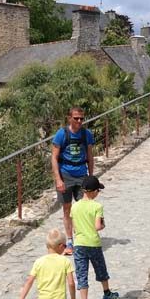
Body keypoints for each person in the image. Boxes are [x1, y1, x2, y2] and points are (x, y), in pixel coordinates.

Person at [70, 175, 120, 299]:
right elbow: (98, 226)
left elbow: (74, 228)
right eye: (98, 190)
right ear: (93, 191)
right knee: (100, 269)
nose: (98, 193)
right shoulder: (97, 206)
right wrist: (103, 225)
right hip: (93, 243)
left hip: (79, 244)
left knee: (82, 274)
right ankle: (107, 294)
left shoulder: (75, 207)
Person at [51, 107, 95, 256]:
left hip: (82, 174)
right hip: (66, 175)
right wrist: (58, 179)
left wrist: (91, 177)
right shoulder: (61, 134)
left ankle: (83, 238)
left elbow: (90, 156)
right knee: (67, 209)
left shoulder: (86, 134)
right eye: (76, 118)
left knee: (84, 208)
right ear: (69, 118)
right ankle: (70, 241)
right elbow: (54, 158)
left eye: (82, 118)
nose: (79, 121)